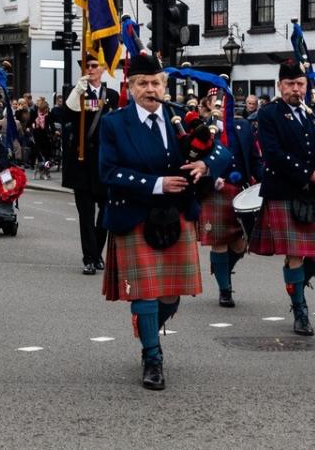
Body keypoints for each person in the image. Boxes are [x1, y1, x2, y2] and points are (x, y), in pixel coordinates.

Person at [98, 50, 229, 391]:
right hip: (136, 214)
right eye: (143, 83)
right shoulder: (115, 123)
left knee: (169, 296)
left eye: (156, 82)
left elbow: (221, 150)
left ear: (164, 86)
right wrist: (157, 184)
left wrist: (205, 166)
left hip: (177, 215)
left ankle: (148, 325)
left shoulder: (179, 119)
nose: (150, 89)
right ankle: (152, 357)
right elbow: (108, 172)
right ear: (130, 86)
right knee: (144, 293)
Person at [249, 59, 315, 338]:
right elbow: (274, 153)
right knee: (295, 255)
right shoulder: (269, 114)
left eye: (300, 83)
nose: (296, 89)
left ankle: (297, 285)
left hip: (314, 193)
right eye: (290, 84)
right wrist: (309, 174)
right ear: (280, 86)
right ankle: (300, 311)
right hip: (285, 190)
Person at [52, 56, 119, 275]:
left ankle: (97, 250)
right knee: (86, 214)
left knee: (106, 210)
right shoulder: (77, 93)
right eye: (86, 66)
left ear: (102, 68)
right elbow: (65, 115)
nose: (90, 69)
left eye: (94, 66)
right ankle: (89, 258)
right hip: (81, 161)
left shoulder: (111, 96)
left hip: (103, 162)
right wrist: (77, 93)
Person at [198, 88, 258, 307]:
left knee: (241, 243)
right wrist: (209, 177)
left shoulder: (243, 127)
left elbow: (254, 157)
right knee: (219, 242)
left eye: (225, 103)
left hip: (241, 189)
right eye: (217, 103)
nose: (222, 107)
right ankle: (225, 289)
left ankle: (222, 268)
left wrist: (262, 183)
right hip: (215, 191)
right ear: (208, 106)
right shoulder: (203, 129)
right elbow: (195, 159)